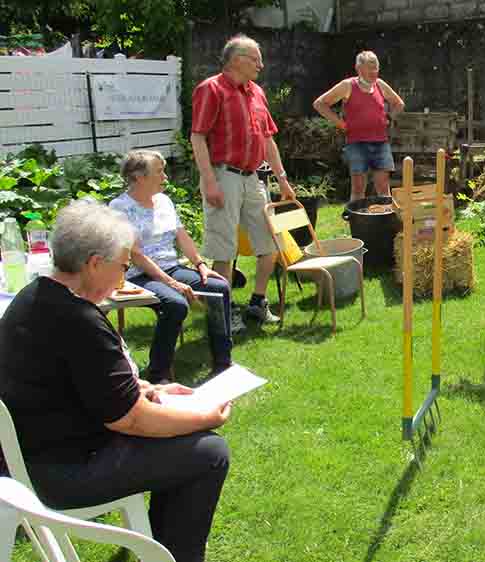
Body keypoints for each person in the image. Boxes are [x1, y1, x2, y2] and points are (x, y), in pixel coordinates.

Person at [0, 200, 231, 562]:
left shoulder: (32, 297)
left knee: (184, 442)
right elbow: (130, 419)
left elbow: (81, 381)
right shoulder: (79, 321)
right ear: (94, 263)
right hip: (62, 474)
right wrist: (208, 416)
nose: (123, 278)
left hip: (29, 459)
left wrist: (149, 389)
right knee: (209, 452)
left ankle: (161, 549)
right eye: (122, 267)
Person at [190, 33, 295, 324]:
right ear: (237, 60)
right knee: (224, 248)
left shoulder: (257, 92)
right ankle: (222, 315)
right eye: (255, 58)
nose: (261, 64)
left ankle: (257, 303)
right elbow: (197, 137)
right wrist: (209, 181)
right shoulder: (210, 89)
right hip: (223, 175)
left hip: (253, 178)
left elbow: (268, 140)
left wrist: (282, 179)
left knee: (270, 242)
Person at [109, 150, 235, 384]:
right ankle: (159, 374)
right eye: (159, 172)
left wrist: (200, 265)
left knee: (219, 287)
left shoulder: (164, 201)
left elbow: (181, 235)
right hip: (139, 275)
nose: (165, 176)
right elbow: (135, 255)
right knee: (175, 304)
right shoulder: (120, 207)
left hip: (171, 267)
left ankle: (223, 362)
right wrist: (172, 284)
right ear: (138, 177)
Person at [312, 50, 405, 201]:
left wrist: (388, 117)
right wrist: (341, 124)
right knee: (358, 189)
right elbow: (320, 104)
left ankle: (386, 223)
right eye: (370, 67)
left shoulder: (380, 85)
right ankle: (357, 222)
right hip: (357, 143)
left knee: (383, 189)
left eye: (376, 67)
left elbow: (399, 104)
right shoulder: (348, 85)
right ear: (359, 69)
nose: (374, 71)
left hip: (381, 143)